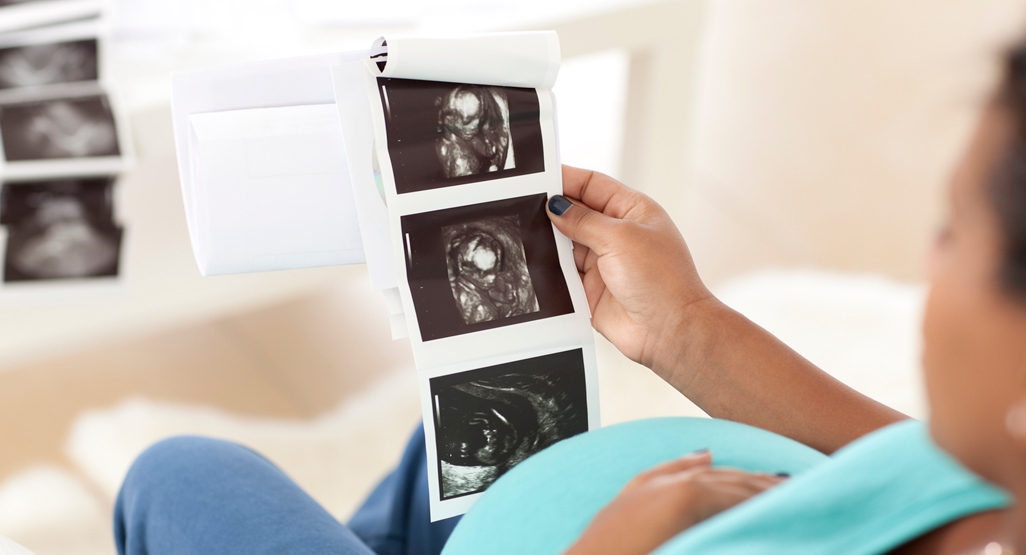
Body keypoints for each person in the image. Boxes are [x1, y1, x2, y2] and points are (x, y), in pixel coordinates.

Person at [113, 36, 1026, 555]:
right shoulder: (1002, 473)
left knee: (183, 474)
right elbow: (909, 456)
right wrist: (686, 326)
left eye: (956, 234)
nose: (929, 256)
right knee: (451, 444)